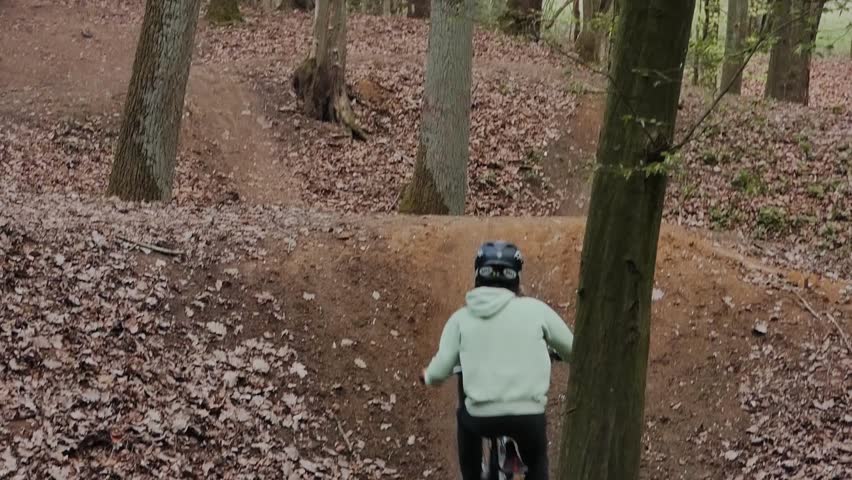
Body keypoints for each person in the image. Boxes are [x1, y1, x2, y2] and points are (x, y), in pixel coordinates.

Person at [419, 241, 574, 480]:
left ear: (478, 276)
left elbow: (440, 370)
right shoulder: (537, 310)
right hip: (528, 418)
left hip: (481, 420)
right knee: (537, 459)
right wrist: (559, 354)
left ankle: (471, 476)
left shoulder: (460, 319)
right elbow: (574, 349)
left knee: (464, 419)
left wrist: (428, 376)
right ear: (516, 278)